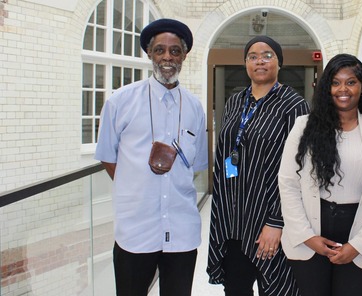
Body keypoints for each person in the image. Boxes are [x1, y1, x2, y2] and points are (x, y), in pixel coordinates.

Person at [94, 18, 208, 296]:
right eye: (160, 50)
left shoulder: (194, 107)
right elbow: (109, 158)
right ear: (149, 54)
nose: (167, 57)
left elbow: (196, 165)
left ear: (184, 56)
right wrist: (137, 185)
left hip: (181, 230)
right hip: (136, 229)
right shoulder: (119, 102)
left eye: (174, 51)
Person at [278, 53, 362, 296]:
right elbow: (288, 183)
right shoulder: (304, 126)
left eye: (351, 82)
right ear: (327, 88)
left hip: (359, 233)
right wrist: (308, 236)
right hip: (311, 231)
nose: (343, 89)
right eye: (335, 82)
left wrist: (357, 245)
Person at [207, 36, 310, 296]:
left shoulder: (293, 105)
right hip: (234, 222)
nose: (259, 61)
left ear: (279, 63)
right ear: (245, 64)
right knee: (236, 289)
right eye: (252, 56)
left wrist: (276, 222)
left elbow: (300, 167)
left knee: (277, 289)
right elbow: (225, 156)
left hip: (269, 220)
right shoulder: (234, 103)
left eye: (267, 55)